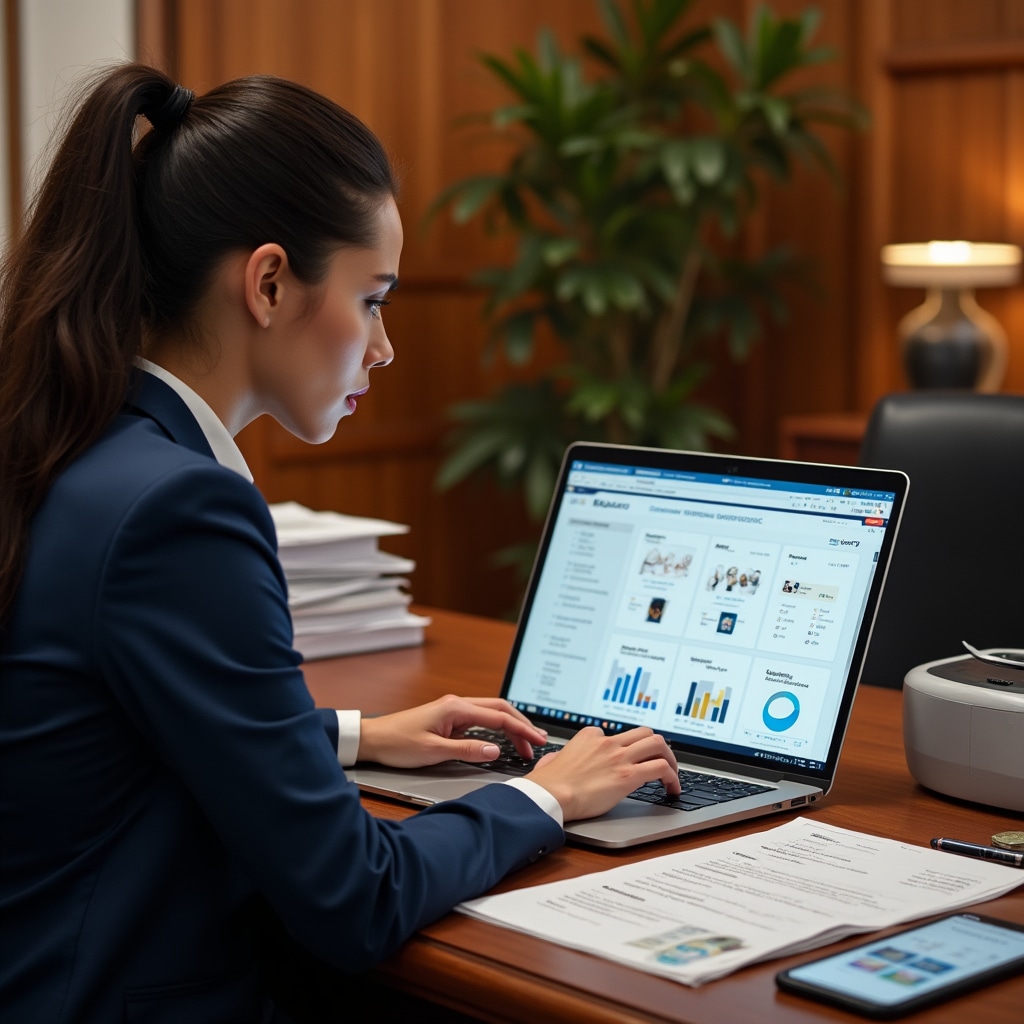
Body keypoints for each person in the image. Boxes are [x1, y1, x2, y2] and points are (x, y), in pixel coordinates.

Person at [0, 64, 681, 1023]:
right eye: (373, 299)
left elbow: (100, 728)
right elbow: (354, 898)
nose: (384, 346)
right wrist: (544, 798)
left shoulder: (76, 440)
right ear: (270, 282)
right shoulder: (177, 509)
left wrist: (355, 735)